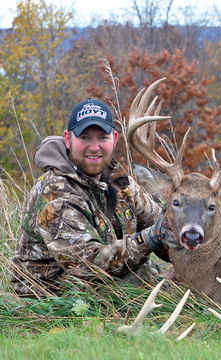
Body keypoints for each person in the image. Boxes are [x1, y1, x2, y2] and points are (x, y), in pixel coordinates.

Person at [11, 98, 172, 297]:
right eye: (85, 137)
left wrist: (185, 235)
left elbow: (161, 224)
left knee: (169, 279)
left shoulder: (121, 182)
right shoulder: (54, 193)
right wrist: (150, 238)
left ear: (114, 138)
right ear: (68, 139)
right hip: (51, 299)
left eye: (102, 138)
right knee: (149, 283)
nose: (94, 147)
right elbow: (89, 265)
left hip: (102, 283)